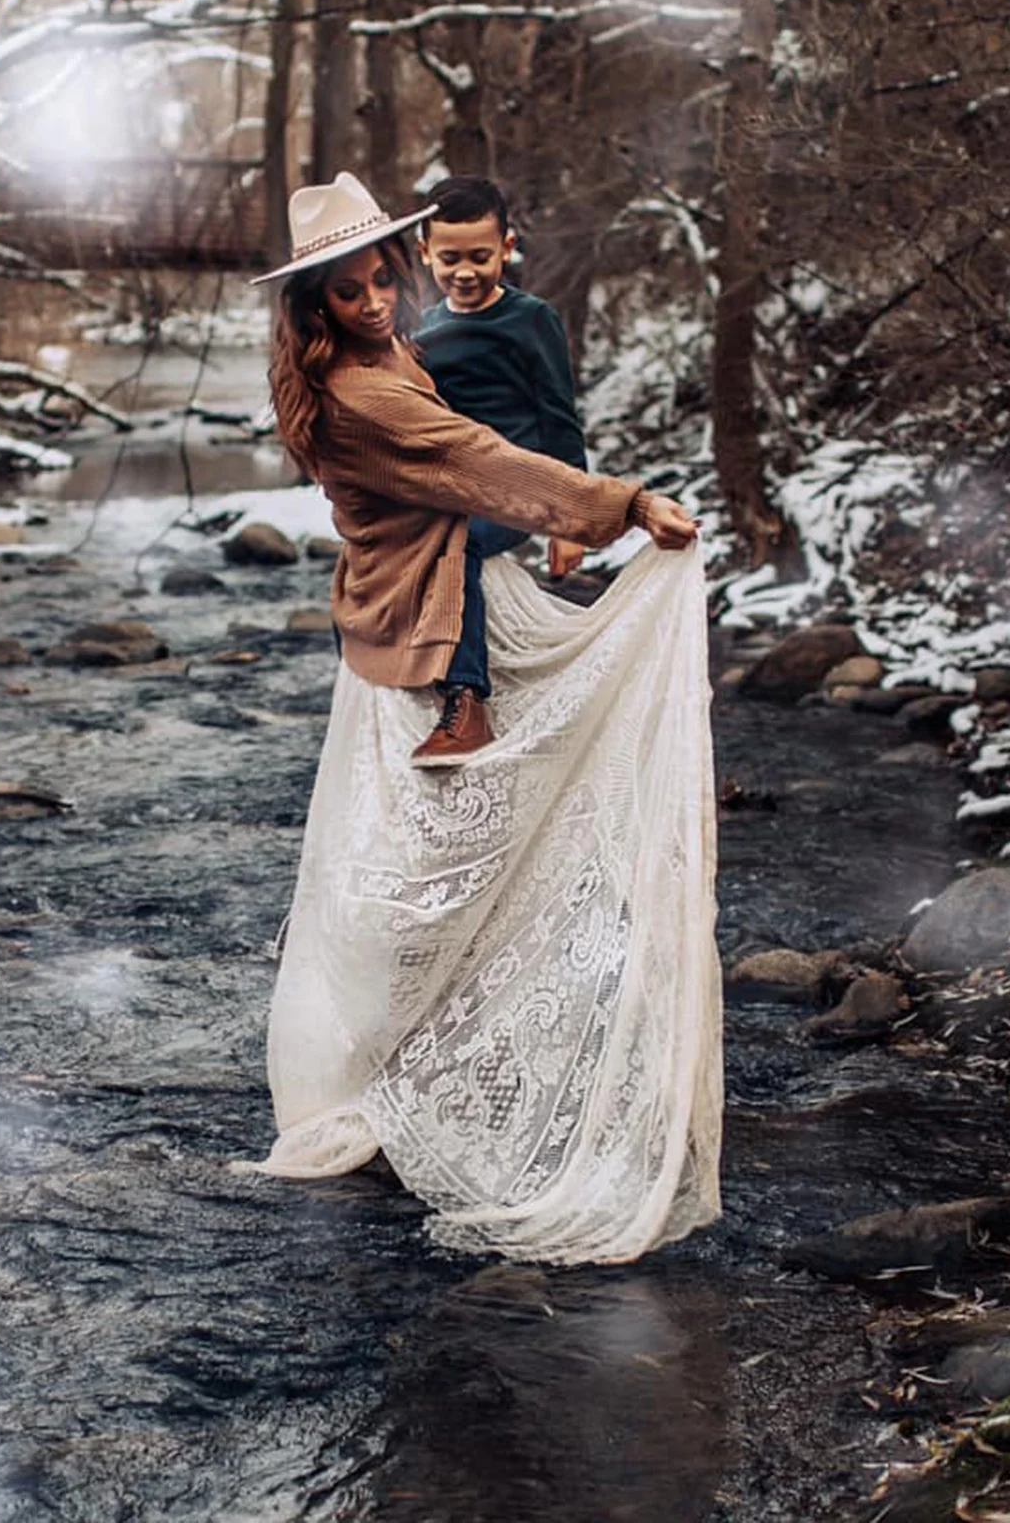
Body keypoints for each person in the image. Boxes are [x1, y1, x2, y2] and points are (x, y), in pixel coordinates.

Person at [246, 171, 723, 1266]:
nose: (373, 298)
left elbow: (509, 424)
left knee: (460, 864)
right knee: (427, 873)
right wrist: (619, 503)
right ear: (308, 304)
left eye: (380, 276)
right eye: (346, 288)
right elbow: (477, 460)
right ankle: (406, 1090)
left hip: (433, 614)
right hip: (422, 635)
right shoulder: (363, 393)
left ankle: (450, 1080)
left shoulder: (371, 356)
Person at [411, 176, 588, 766]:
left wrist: (570, 520)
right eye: (451, 258)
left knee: (454, 542)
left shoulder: (531, 320)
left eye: (481, 256)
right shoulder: (425, 331)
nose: (466, 271)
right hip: (455, 486)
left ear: (507, 247)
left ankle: (469, 704)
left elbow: (559, 417)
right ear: (425, 253)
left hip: (523, 488)